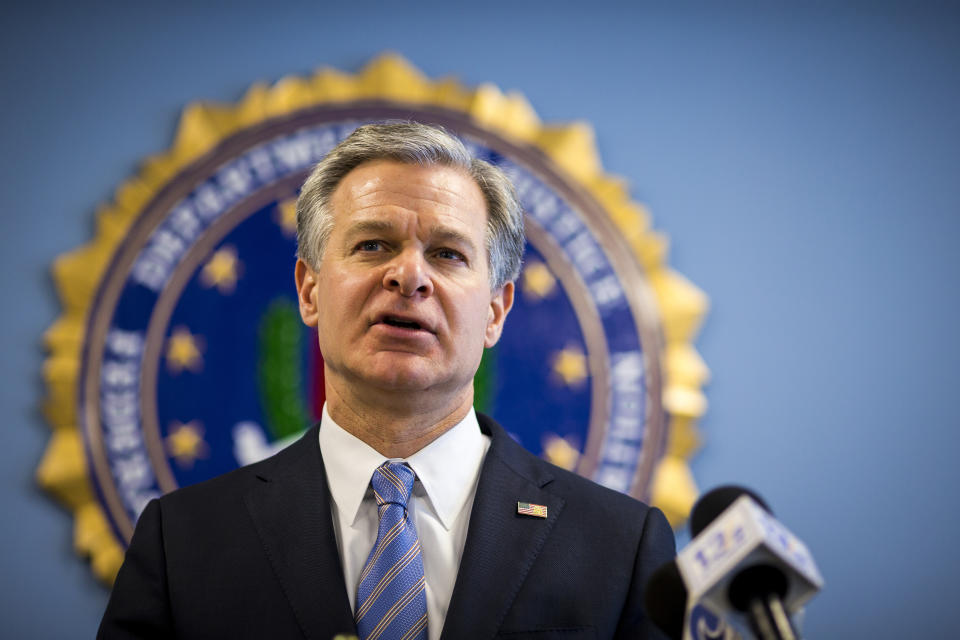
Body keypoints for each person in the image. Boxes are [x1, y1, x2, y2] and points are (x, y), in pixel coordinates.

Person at [98, 123, 675, 640]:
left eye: (448, 253)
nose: (409, 276)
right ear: (309, 290)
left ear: (496, 312)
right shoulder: (183, 542)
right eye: (373, 245)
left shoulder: (621, 547)